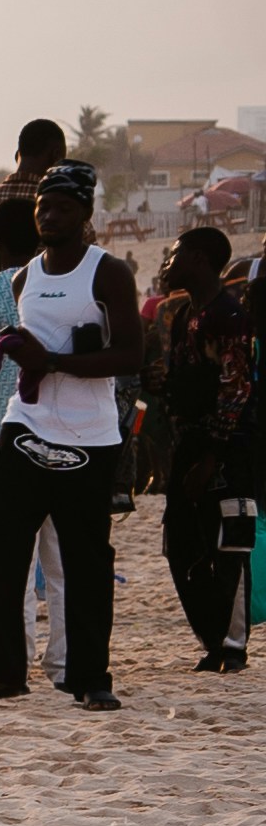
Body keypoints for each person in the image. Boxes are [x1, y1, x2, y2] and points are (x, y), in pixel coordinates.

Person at [0, 168, 134, 711]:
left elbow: (130, 355)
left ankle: (90, 677)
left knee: (84, 558)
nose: (48, 216)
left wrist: (51, 360)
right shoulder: (21, 279)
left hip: (89, 434)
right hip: (26, 424)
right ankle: (3, 669)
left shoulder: (108, 274)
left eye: (60, 208)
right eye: (42, 208)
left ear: (84, 215)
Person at [147, 226, 256, 671]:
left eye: (175, 254)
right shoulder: (184, 315)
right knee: (183, 543)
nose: (167, 262)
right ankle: (213, 639)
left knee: (229, 544)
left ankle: (231, 646)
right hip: (192, 444)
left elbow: (236, 389)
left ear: (198, 259)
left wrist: (211, 455)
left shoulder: (228, 316)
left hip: (228, 447)